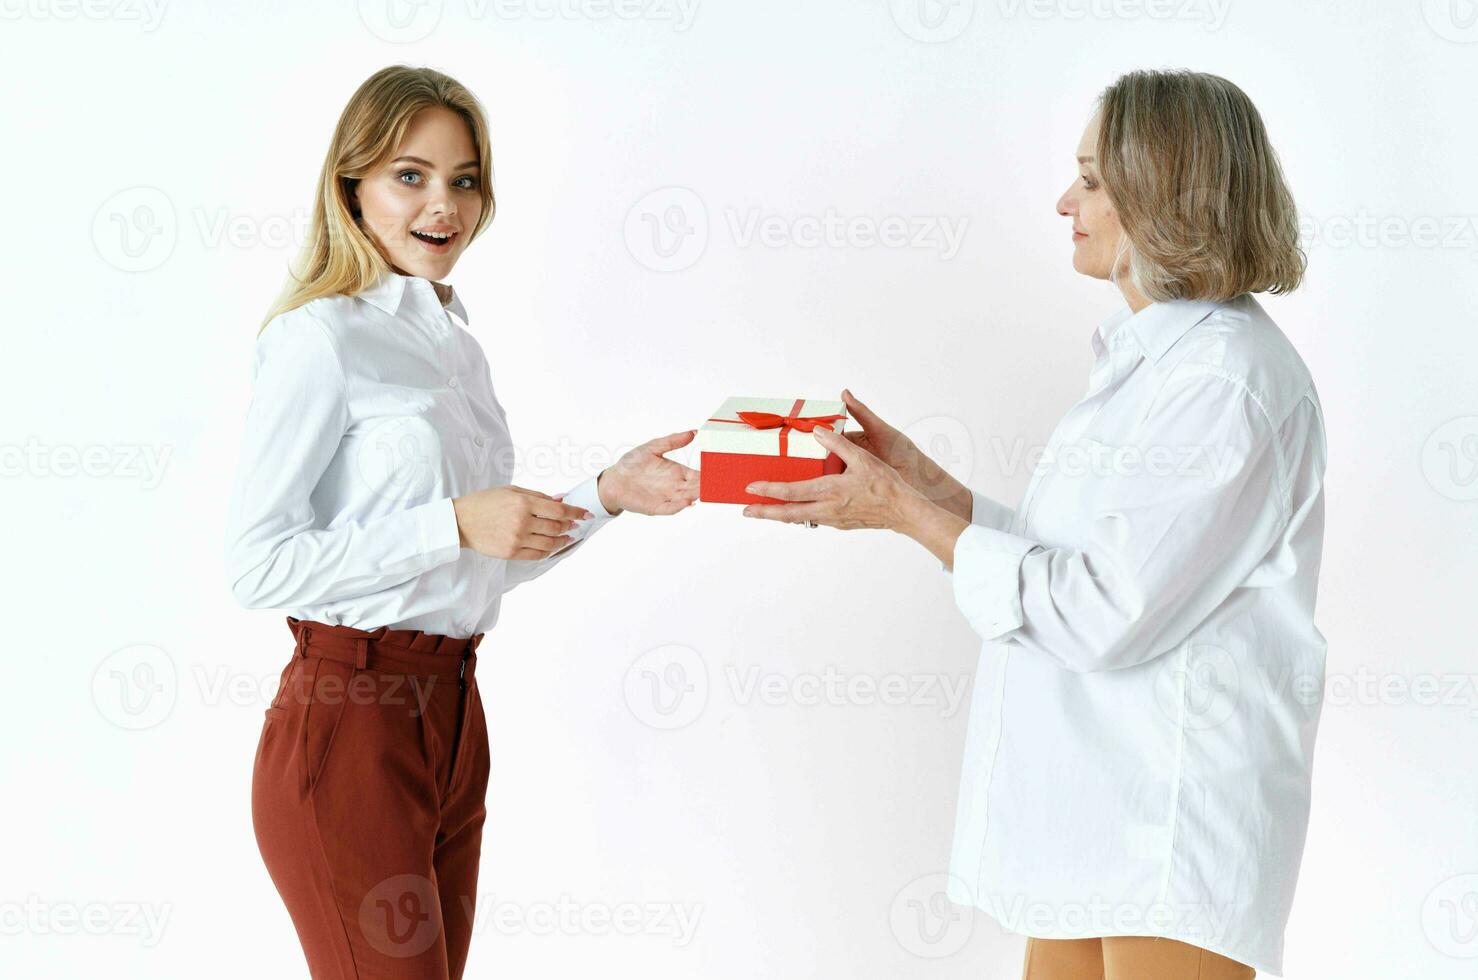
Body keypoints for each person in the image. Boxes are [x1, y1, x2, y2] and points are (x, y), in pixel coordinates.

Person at [745, 69, 1326, 980]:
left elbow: (1102, 609)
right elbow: (1088, 559)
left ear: (1162, 190)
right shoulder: (1153, 364)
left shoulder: (1222, 382)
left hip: (1166, 831)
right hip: (1094, 822)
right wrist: (928, 492)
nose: (1066, 200)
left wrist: (905, 516)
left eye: (1092, 180)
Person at [224, 64, 699, 980]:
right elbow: (258, 566)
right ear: (350, 186)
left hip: (453, 716)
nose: (442, 204)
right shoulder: (318, 338)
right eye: (410, 175)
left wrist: (606, 494)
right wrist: (449, 521)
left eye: (464, 179)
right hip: (349, 718)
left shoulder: (456, 348)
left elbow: (480, 561)